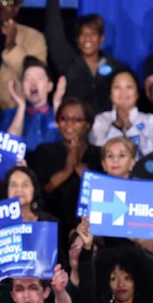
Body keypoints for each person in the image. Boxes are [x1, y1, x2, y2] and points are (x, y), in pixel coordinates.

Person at [45, 0, 127, 114]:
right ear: (77, 39)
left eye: (93, 34)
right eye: (83, 34)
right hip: (74, 128)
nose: (88, 38)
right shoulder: (67, 62)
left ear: (101, 38)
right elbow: (53, 27)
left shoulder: (116, 67)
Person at [75, 216, 153, 303]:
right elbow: (87, 284)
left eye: (127, 278)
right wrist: (87, 247)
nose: (121, 284)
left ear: (137, 281)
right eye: (113, 278)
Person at [28, 97, 102, 236]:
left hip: (90, 227)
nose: (69, 124)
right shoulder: (44, 151)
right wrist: (66, 171)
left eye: (77, 120)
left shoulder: (99, 154)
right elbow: (39, 193)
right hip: (51, 226)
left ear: (88, 124)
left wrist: (78, 166)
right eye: (63, 118)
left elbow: (103, 192)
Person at [90, 69, 153, 158]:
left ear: (137, 93)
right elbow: (98, 152)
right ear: (110, 94)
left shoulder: (151, 120)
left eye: (129, 87)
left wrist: (130, 128)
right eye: (117, 87)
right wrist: (117, 125)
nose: (123, 92)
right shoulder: (101, 120)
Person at [2, 57, 65, 155]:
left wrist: (57, 104)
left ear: (49, 86)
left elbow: (67, 144)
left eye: (39, 78)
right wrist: (21, 107)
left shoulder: (60, 113)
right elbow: (8, 149)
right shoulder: (10, 114)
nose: (33, 83)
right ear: (22, 86)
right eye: (27, 79)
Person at [2, 266, 75, 303]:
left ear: (46, 292)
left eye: (33, 288)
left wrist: (60, 292)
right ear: (13, 296)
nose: (26, 295)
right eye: (19, 289)